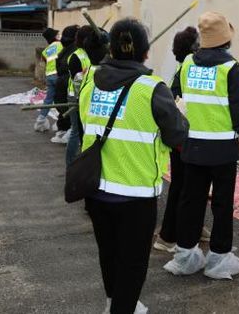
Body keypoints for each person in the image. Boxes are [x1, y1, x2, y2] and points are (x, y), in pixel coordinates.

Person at [79, 18, 188, 314]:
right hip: (135, 194)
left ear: (111, 50)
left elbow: (85, 123)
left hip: (95, 188)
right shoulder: (153, 89)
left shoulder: (91, 82)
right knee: (132, 264)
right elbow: (177, 136)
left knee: (109, 254)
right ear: (145, 52)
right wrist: (180, 113)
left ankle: (113, 304)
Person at [164, 12, 239, 279]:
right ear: (226, 40)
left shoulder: (187, 64)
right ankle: (219, 259)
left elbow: (177, 97)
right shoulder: (232, 69)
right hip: (222, 150)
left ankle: (186, 256)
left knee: (190, 202)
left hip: (193, 147)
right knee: (222, 204)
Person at [153, 26, 206, 252]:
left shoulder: (186, 68)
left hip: (185, 136)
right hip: (184, 138)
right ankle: (167, 236)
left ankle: (192, 226)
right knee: (182, 187)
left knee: (188, 186)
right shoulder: (187, 69)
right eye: (199, 43)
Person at [65, 25, 95, 165]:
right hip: (76, 97)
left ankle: (83, 163)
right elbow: (76, 80)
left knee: (85, 131)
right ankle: (70, 164)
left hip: (88, 97)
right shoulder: (75, 56)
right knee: (76, 132)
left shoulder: (92, 53)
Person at [51, 24, 79, 144]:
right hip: (69, 82)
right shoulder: (76, 50)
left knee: (63, 107)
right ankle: (69, 132)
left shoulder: (64, 49)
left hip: (60, 81)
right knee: (70, 108)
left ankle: (63, 129)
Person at [34, 27, 62, 132]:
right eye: (58, 34)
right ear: (55, 36)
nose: (60, 36)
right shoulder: (61, 45)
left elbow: (47, 63)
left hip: (49, 77)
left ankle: (40, 121)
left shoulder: (45, 51)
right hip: (59, 76)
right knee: (63, 100)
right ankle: (61, 124)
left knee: (48, 100)